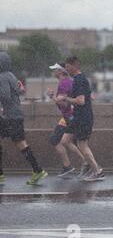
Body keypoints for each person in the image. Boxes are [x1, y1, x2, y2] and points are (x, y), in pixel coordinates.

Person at [0, 52, 47, 185]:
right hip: (14, 115)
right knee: (18, 142)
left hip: (9, 116)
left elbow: (5, 96)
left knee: (21, 143)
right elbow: (20, 91)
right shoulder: (11, 75)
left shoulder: (2, 77)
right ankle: (1, 174)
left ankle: (38, 170)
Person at [60, 56, 104, 182]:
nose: (66, 69)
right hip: (78, 116)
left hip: (83, 117)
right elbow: (88, 97)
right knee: (65, 139)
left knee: (82, 145)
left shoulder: (79, 80)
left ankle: (97, 170)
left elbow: (81, 101)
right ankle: (86, 163)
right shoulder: (79, 79)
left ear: (74, 66)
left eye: (68, 66)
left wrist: (66, 98)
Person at [47, 63, 89, 178]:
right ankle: (71, 166)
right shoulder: (66, 82)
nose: (53, 72)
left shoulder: (64, 83)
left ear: (60, 71)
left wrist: (53, 97)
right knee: (66, 140)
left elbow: (64, 103)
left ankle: (84, 164)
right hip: (68, 116)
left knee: (59, 139)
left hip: (70, 116)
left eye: (55, 70)